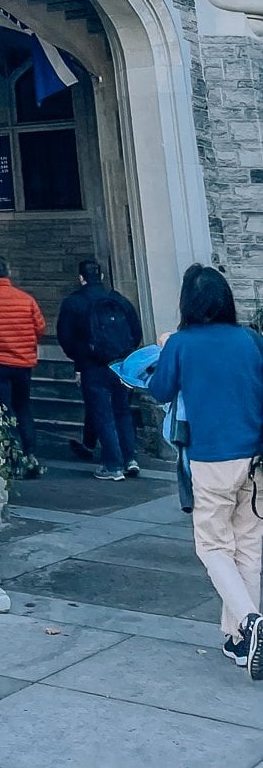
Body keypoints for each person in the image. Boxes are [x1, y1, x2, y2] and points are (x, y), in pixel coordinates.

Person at [149, 264, 263, 676]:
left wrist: (164, 348)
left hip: (212, 458)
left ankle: (250, 621)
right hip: (256, 458)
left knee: (213, 547)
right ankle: (237, 640)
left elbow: (159, 389)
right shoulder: (251, 339)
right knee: (248, 548)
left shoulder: (182, 343)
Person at [57, 258, 143, 481]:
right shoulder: (119, 300)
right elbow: (136, 331)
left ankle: (112, 465)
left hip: (92, 366)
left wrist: (80, 360)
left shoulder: (73, 303)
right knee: (122, 411)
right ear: (102, 276)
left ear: (81, 278)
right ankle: (130, 458)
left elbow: (65, 338)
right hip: (121, 364)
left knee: (102, 414)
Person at [0, 256, 46, 476]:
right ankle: (30, 455)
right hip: (23, 363)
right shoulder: (25, 299)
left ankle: (11, 457)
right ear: (8, 271)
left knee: (4, 410)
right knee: (24, 408)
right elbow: (40, 328)